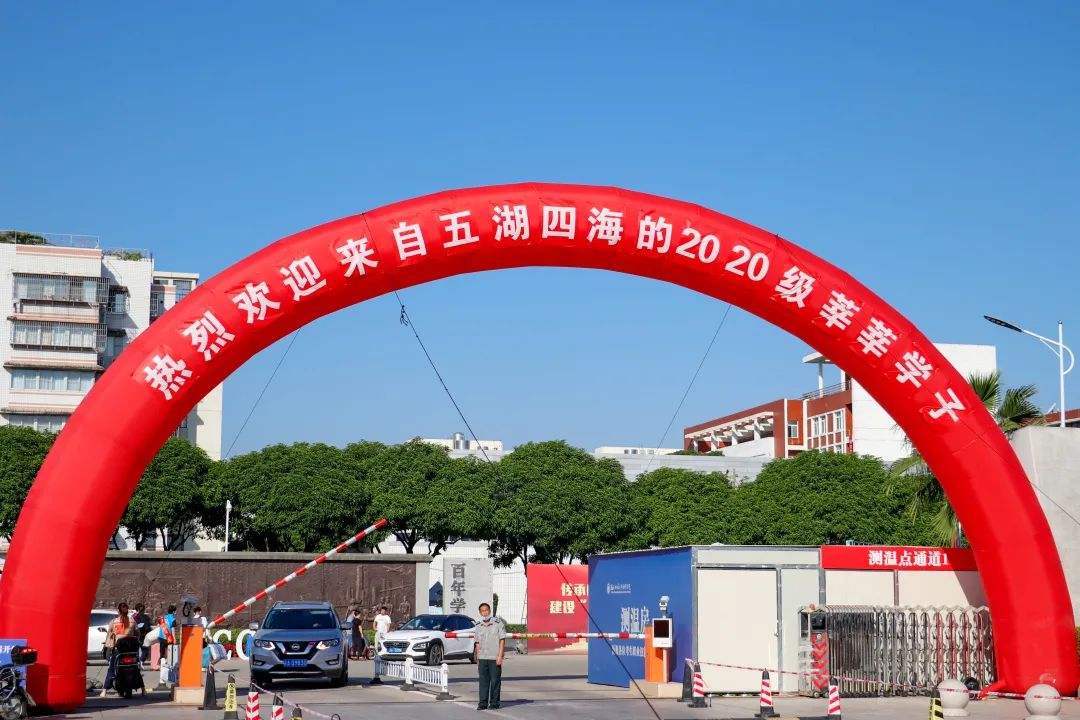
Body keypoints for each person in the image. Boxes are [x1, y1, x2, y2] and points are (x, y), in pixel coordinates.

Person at [473, 602, 506, 711]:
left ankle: (494, 703)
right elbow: (477, 643)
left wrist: (500, 656)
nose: (485, 613)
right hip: (483, 658)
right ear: (480, 613)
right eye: (482, 611)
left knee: (495, 681)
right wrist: (478, 656)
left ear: (490, 611)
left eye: (486, 610)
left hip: (494, 657)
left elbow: (502, 640)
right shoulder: (478, 626)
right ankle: (482, 703)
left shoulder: (498, 623)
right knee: (483, 681)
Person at [100, 602, 135, 697]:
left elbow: (109, 635)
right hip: (130, 651)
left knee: (111, 668)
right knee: (136, 667)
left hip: (118, 650)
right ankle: (143, 689)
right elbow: (138, 634)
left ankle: (104, 690)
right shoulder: (133, 622)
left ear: (118, 611)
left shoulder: (114, 622)